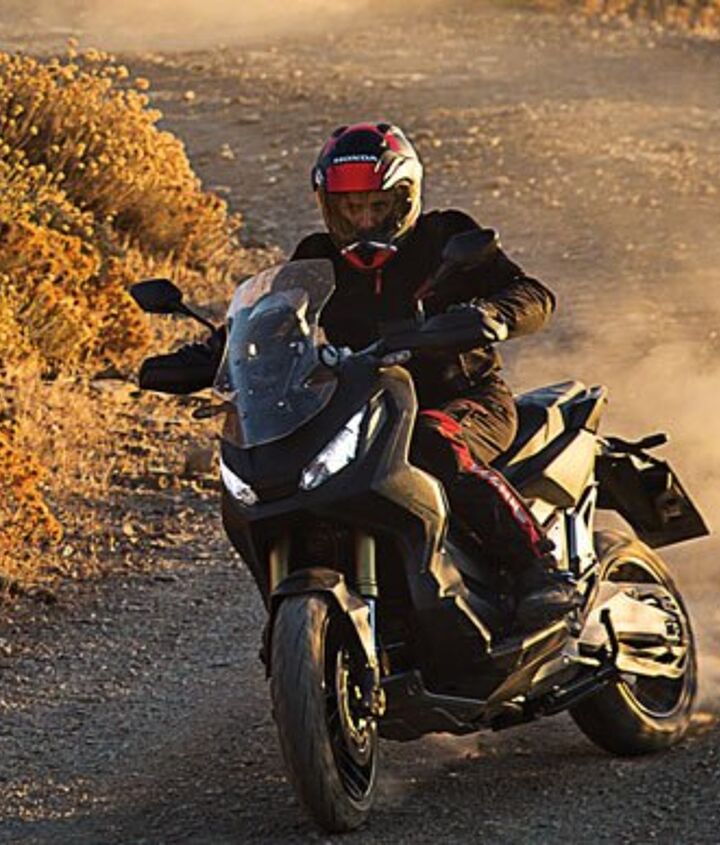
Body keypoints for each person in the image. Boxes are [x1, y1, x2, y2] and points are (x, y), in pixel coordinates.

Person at [141, 122, 578, 630]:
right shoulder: (317, 256)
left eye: (378, 206)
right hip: (365, 406)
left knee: (434, 443)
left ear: (405, 199)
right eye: (350, 209)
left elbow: (532, 294)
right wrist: (207, 357)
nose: (364, 220)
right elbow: (270, 319)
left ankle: (538, 570)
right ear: (329, 207)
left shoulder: (444, 237)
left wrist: (491, 314)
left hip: (463, 398)